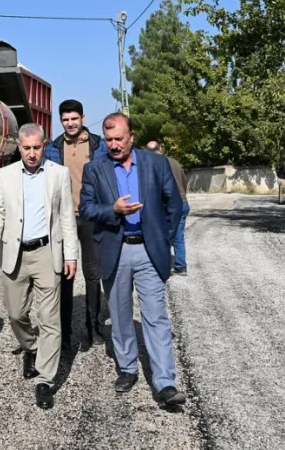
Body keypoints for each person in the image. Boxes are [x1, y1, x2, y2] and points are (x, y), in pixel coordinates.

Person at [79, 113, 187, 407]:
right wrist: (112, 210)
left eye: (119, 139)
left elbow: (174, 205)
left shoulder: (155, 164)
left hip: (148, 250)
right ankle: (127, 368)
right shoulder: (95, 169)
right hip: (115, 249)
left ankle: (165, 383)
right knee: (121, 314)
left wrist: (162, 238)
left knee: (156, 317)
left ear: (132, 137)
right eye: (109, 139)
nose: (113, 145)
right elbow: (86, 208)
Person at [0, 123, 79, 410]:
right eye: (27, 148)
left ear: (44, 145)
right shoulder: (5, 175)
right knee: (16, 313)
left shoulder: (59, 174)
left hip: (48, 252)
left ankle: (45, 380)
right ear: (18, 147)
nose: (32, 153)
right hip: (16, 254)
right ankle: (31, 348)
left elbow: (66, 218)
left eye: (37, 147)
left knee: (50, 318)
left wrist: (70, 255)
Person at [44, 99, 108, 349]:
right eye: (65, 119)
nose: (70, 123)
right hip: (63, 219)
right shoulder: (52, 148)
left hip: (91, 218)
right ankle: (65, 333)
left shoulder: (98, 146)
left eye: (74, 118)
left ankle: (93, 328)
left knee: (92, 275)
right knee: (64, 276)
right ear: (61, 121)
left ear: (83, 117)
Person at [145, 140, 189, 276]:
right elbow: (184, 181)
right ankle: (181, 266)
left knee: (163, 236)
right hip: (182, 203)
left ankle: (163, 266)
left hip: (167, 205)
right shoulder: (175, 162)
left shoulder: (152, 164)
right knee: (178, 236)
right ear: (160, 149)